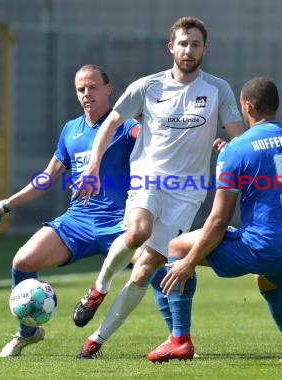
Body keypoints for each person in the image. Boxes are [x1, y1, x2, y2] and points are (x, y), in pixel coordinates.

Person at [72, 16, 244, 359]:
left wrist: (232, 148)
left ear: (205, 49)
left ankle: (97, 340)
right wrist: (93, 165)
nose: (189, 50)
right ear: (171, 47)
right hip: (149, 175)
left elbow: (239, 135)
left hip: (189, 190)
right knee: (137, 233)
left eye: (196, 44)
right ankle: (99, 288)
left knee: (146, 267)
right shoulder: (148, 86)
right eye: (183, 43)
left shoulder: (217, 89)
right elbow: (110, 124)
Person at [149, 77, 282, 363]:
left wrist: (188, 262)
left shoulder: (237, 150)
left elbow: (217, 221)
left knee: (176, 247)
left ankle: (179, 339)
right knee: (268, 282)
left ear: (247, 106)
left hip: (262, 247)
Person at [0, 64, 140, 358]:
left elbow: (153, 137)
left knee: (157, 269)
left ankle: (178, 338)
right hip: (77, 221)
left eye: (93, 87)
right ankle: (28, 333)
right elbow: (46, 178)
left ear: (108, 89)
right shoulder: (71, 130)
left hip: (120, 222)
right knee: (23, 262)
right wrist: (7, 203)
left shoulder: (126, 124)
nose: (86, 94)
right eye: (81, 89)